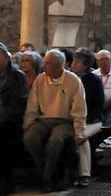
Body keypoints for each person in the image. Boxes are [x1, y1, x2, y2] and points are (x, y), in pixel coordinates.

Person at [22, 49, 86, 193]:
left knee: (55, 141)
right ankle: (49, 172)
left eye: (48, 63)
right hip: (44, 119)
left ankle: (47, 178)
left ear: (58, 66)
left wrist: (78, 131)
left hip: (65, 120)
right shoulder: (40, 79)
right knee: (30, 138)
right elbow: (32, 105)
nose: (44, 66)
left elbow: (79, 109)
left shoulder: (73, 80)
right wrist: (29, 124)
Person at [0, 42, 29, 196]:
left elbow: (16, 106)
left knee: (0, 138)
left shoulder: (17, 77)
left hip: (8, 121)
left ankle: (5, 182)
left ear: (6, 57)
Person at [71, 48, 104, 188]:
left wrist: (83, 121)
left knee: (81, 137)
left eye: (77, 62)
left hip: (92, 120)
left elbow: (98, 105)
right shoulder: (69, 78)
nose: (73, 65)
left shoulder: (94, 80)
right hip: (73, 119)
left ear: (85, 64)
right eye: (73, 61)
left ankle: (84, 174)